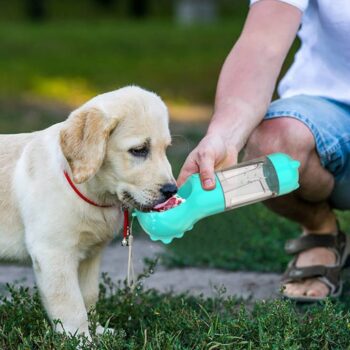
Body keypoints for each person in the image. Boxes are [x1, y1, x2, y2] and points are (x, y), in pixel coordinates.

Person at [177, 0, 350, 301]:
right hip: (329, 110)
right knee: (272, 143)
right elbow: (261, 45)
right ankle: (320, 230)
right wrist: (225, 135)